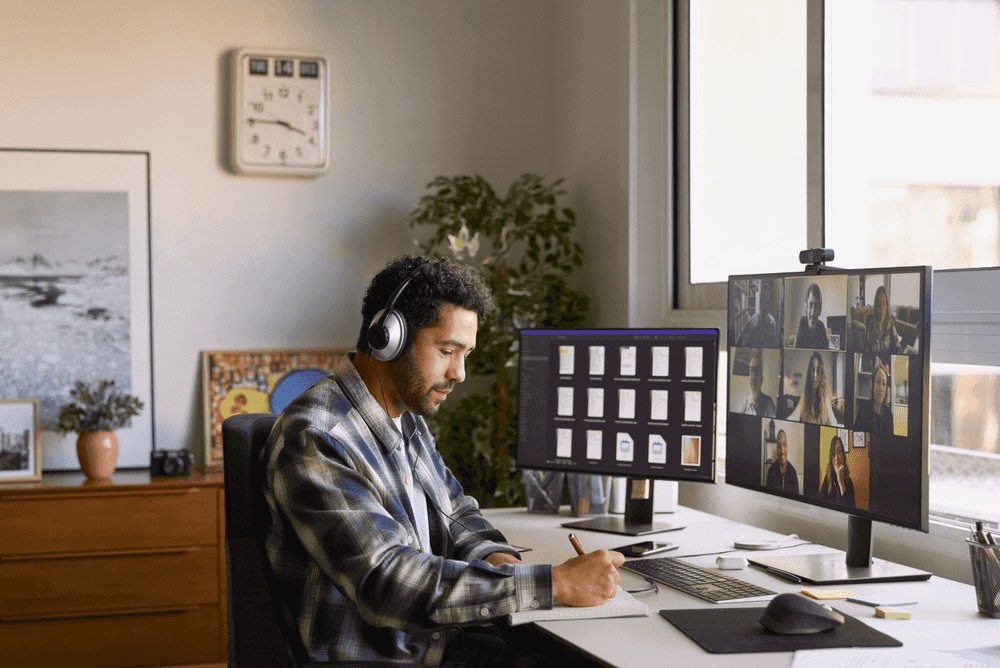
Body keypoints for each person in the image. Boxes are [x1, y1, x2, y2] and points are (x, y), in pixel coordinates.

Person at [260, 255, 624, 666]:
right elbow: (387, 582)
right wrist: (551, 584)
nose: (460, 373)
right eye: (447, 350)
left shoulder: (406, 420)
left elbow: (457, 515)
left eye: (464, 353)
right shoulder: (318, 438)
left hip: (440, 644)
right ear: (388, 338)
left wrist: (502, 565)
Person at [787, 352, 839, 425]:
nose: (814, 375)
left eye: (817, 371)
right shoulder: (804, 396)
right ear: (809, 372)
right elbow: (795, 415)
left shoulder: (825, 400)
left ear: (821, 374)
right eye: (812, 370)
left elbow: (833, 423)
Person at [854, 362, 893, 434]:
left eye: (884, 384)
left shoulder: (888, 414)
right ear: (872, 384)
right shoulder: (863, 410)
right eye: (878, 382)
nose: (881, 388)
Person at [737, 348, 776, 417]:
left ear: (761, 380)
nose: (753, 376)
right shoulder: (743, 404)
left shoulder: (768, 402)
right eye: (751, 370)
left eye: (757, 371)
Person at [819, 434, 855, 507]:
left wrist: (841, 482)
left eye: (839, 452)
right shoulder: (827, 479)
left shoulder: (849, 483)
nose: (836, 458)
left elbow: (851, 509)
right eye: (833, 454)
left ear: (843, 456)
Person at [865, 285, 901, 354]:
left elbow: (898, 346)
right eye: (879, 305)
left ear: (887, 305)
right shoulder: (870, 324)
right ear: (875, 306)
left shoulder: (890, 323)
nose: (881, 309)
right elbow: (867, 350)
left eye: (884, 304)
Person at [742, 280, 778, 348]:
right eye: (762, 302)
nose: (764, 306)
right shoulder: (753, 319)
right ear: (760, 303)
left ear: (770, 304)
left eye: (766, 302)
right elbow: (748, 341)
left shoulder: (772, 323)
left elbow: (773, 345)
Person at [795, 283, 829, 349]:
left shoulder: (821, 326)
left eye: (816, 306)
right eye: (810, 305)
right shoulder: (802, 322)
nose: (813, 312)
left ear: (820, 310)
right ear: (806, 307)